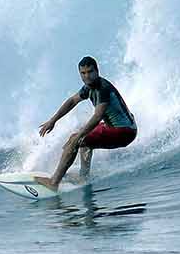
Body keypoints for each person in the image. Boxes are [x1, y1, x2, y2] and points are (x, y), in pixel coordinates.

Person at [35, 56, 137, 191]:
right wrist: (53, 120)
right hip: (118, 127)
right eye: (83, 73)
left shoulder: (102, 88)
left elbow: (97, 116)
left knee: (78, 139)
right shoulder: (88, 87)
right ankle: (84, 177)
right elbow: (72, 101)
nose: (87, 76)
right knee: (78, 137)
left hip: (124, 131)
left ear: (97, 71)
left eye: (90, 72)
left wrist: (78, 138)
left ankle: (54, 182)